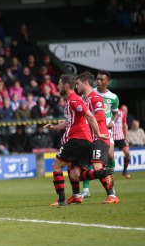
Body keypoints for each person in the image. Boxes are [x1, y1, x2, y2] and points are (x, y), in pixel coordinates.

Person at [44, 74, 109, 207]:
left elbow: (90, 116)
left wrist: (98, 133)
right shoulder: (69, 101)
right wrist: (54, 127)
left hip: (77, 140)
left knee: (56, 166)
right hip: (83, 141)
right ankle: (101, 173)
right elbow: (69, 123)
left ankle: (61, 200)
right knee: (75, 174)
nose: (57, 86)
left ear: (66, 86)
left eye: (59, 84)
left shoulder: (75, 101)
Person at [75, 71, 119, 204]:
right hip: (90, 137)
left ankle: (111, 194)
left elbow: (100, 116)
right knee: (77, 169)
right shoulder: (86, 98)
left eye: (77, 83)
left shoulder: (95, 97)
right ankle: (78, 194)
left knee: (97, 166)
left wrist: (86, 121)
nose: (76, 86)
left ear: (85, 83)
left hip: (100, 136)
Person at [112, 107, 131, 178]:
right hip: (110, 137)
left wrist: (126, 136)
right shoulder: (107, 111)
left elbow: (124, 124)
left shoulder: (121, 113)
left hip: (120, 137)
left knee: (127, 153)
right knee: (110, 156)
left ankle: (124, 171)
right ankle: (109, 173)